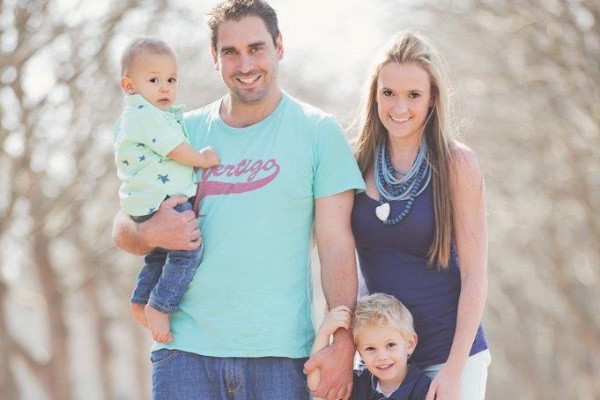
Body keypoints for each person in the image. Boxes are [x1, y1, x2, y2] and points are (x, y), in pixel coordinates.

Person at [112, 1, 365, 399]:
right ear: (215, 57)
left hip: (280, 358)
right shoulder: (181, 132)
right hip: (184, 355)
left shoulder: (318, 132)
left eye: (256, 48)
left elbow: (336, 244)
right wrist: (149, 232)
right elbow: (124, 225)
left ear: (279, 46)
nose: (245, 64)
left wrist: (343, 341)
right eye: (230, 51)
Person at [351, 30, 491, 400]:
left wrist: (454, 370)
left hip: (448, 356)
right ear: (374, 95)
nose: (399, 107)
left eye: (413, 95)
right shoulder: (353, 163)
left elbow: (475, 276)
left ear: (432, 99)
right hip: (381, 362)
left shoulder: (456, 163)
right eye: (389, 93)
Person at [114, 37, 220, 344]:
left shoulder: (135, 117)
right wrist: (202, 159)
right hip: (165, 200)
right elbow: (175, 149)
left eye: (171, 80)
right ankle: (160, 305)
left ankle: (141, 298)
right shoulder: (145, 115)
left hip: (146, 202)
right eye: (154, 80)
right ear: (129, 85)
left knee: (160, 255)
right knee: (189, 250)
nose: (165, 88)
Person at [308, 293, 432, 400]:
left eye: (390, 345)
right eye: (370, 348)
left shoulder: (424, 389)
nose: (382, 357)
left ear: (410, 344)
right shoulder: (359, 383)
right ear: (360, 352)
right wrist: (324, 332)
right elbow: (317, 384)